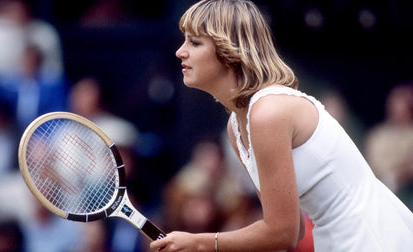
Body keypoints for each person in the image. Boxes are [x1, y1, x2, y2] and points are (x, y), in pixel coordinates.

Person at [150, 0, 413, 251]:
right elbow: (293, 229)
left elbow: (283, 233)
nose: (180, 51)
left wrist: (200, 243)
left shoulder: (268, 113)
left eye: (194, 42)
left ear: (228, 50)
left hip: (376, 238)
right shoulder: (237, 126)